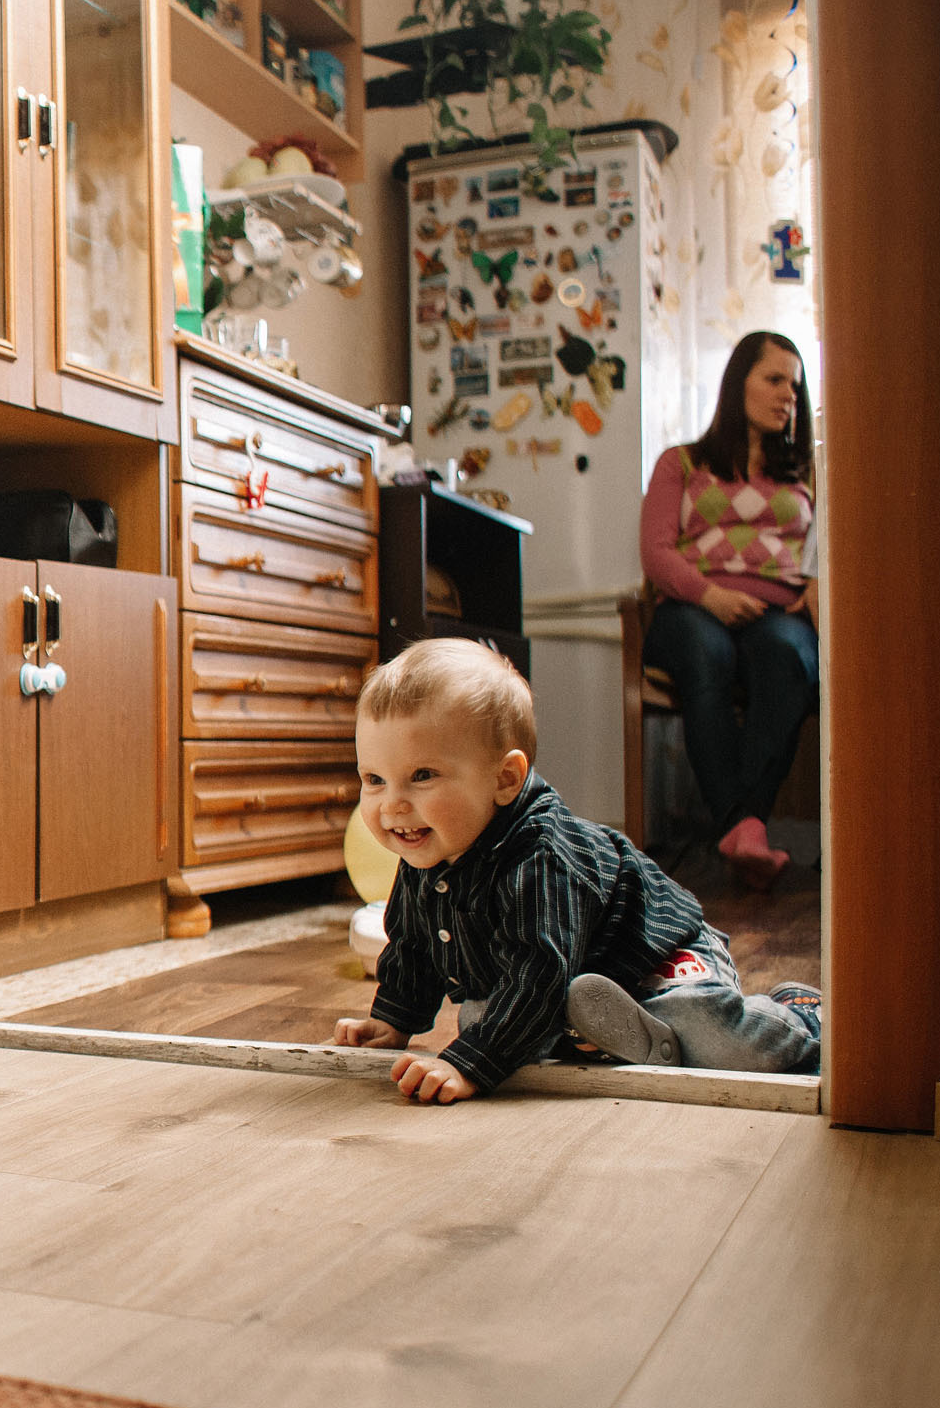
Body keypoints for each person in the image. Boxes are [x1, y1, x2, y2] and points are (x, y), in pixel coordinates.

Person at [330, 640, 820, 1105]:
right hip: (572, 979)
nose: (392, 804)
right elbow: (415, 946)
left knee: (713, 1034)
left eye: (422, 776)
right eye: (373, 779)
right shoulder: (429, 842)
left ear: (505, 779)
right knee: (480, 1015)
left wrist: (471, 1065)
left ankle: (803, 1017)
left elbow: (539, 969)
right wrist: (394, 1021)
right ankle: (624, 1040)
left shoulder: (541, 857)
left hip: (653, 956)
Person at [637, 329, 818, 890]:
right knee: (704, 653)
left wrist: (818, 588)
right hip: (694, 606)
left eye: (795, 384)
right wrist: (710, 595)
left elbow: (830, 547)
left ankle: (743, 830)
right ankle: (744, 825)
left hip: (780, 614)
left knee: (789, 659)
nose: (788, 393)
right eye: (773, 379)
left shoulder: (808, 473)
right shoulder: (682, 462)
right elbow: (655, 551)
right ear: (737, 383)